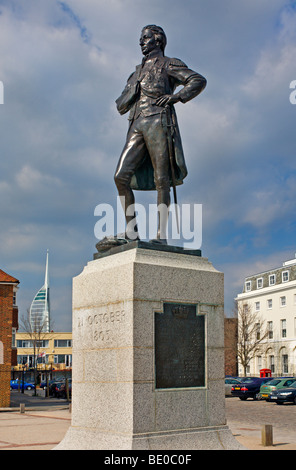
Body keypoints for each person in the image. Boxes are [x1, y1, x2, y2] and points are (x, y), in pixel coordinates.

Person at [114, 25, 206, 244]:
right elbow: (120, 106)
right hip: (136, 123)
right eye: (141, 38)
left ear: (158, 41)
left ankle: (160, 236)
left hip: (158, 120)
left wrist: (177, 97)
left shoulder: (169, 63)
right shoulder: (135, 72)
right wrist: (133, 90)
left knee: (162, 179)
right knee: (120, 176)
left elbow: (198, 80)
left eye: (145, 38)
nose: (141, 42)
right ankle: (131, 231)